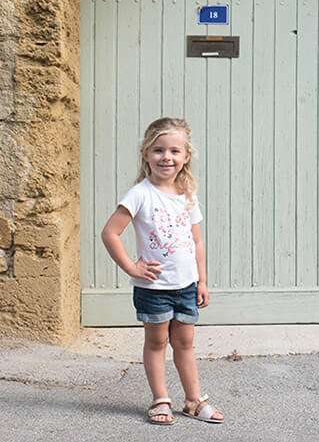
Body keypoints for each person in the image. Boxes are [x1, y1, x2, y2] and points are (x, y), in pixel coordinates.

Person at [101, 117, 225, 425]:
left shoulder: (187, 195)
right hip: (154, 288)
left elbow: (197, 242)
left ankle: (194, 400)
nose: (166, 157)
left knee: (184, 344)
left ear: (186, 156)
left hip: (186, 286)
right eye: (158, 150)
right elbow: (110, 233)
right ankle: (160, 399)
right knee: (156, 343)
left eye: (174, 151)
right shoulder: (139, 194)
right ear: (145, 154)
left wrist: (202, 281)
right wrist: (132, 266)